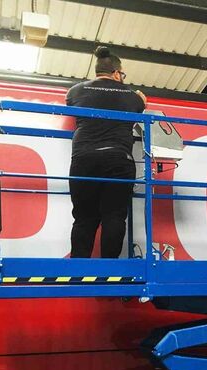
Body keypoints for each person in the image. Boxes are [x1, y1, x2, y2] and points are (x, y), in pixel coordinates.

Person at [65, 46, 147, 258]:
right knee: (114, 216)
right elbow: (142, 106)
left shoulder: (75, 90)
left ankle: (78, 266)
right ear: (117, 73)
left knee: (84, 217)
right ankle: (110, 266)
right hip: (118, 159)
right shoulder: (132, 96)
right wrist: (140, 99)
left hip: (84, 158)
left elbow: (70, 102)